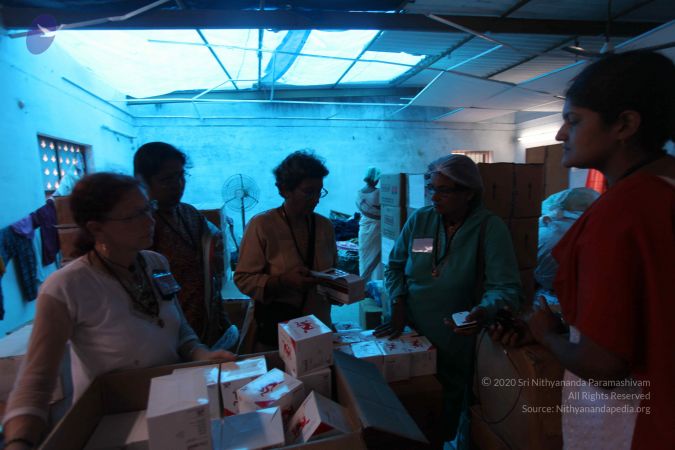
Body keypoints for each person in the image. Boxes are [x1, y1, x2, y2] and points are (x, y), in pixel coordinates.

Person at [491, 51, 675, 450]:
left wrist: (547, 334)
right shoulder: (663, 191)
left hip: (633, 423)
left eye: (573, 121)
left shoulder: (621, 212)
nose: (561, 135)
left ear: (624, 124)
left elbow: (605, 365)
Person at [2, 173, 235, 450]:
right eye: (134, 216)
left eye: (148, 209)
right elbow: (35, 382)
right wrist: (19, 442)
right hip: (112, 424)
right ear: (96, 228)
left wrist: (201, 354)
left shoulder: (156, 264)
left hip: (173, 409)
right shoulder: (66, 287)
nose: (150, 221)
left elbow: (179, 331)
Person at [375, 154, 522, 445]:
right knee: (406, 407)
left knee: (444, 412)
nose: (434, 197)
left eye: (444, 190)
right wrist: (398, 302)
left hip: (455, 339)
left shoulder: (488, 228)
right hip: (410, 329)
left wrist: (484, 310)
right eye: (432, 188)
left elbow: (506, 288)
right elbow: (395, 266)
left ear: (469, 193)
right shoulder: (422, 220)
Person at [134, 142, 234, 348]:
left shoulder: (190, 213)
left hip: (205, 323)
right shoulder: (141, 224)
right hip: (166, 334)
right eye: (167, 179)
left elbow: (210, 261)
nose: (178, 185)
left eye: (181, 176)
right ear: (142, 181)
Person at [234, 150, 337, 350]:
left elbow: (333, 271)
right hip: (278, 330)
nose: (316, 199)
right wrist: (282, 282)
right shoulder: (262, 225)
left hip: (318, 326)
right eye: (308, 192)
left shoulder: (325, 226)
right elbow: (243, 279)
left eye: (319, 191)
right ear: (284, 190)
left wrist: (338, 291)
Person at [355, 166, 383, 281]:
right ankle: (374, 281)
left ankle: (364, 280)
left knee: (364, 254)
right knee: (375, 255)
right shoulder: (378, 192)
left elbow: (361, 209)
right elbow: (383, 210)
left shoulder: (359, 192)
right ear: (375, 178)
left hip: (364, 226)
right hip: (376, 227)